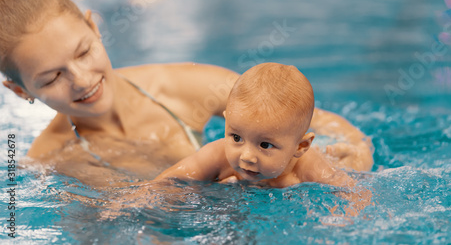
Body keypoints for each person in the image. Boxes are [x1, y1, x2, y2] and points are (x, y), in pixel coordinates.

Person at [0, 0, 373, 186]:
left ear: (95, 28)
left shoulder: (183, 87)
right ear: (19, 91)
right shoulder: (49, 160)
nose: (81, 79)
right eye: (51, 78)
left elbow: (311, 118)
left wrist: (356, 150)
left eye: (83, 52)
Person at [153, 63, 371, 214]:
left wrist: (341, 218)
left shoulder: (308, 167)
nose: (247, 156)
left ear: (301, 146)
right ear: (227, 123)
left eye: (265, 145)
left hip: (332, 156)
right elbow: (169, 180)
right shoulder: (216, 155)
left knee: (358, 161)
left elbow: (353, 192)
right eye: (236, 137)